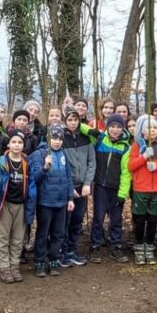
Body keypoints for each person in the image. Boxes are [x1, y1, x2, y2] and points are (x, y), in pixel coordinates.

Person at [0, 132, 37, 283]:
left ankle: (14, 266)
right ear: (8, 144)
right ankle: (4, 267)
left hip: (21, 204)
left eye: (19, 143)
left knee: (18, 238)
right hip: (4, 204)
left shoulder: (27, 162)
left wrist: (31, 201)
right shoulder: (0, 162)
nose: (16, 145)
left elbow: (32, 184)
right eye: (13, 142)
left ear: (23, 145)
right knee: (3, 237)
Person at [80, 113, 132, 263]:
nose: (115, 130)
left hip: (115, 188)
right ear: (108, 127)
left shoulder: (125, 148)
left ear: (123, 129)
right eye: (112, 126)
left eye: (118, 127)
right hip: (100, 186)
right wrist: (92, 131)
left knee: (116, 219)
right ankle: (95, 245)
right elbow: (80, 127)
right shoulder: (101, 139)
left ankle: (116, 245)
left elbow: (126, 173)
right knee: (98, 216)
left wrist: (123, 193)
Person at [29, 124, 75, 277]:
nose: (57, 141)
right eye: (54, 138)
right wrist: (44, 167)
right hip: (45, 202)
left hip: (61, 201)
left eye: (60, 138)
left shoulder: (63, 155)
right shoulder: (39, 154)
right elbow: (34, 179)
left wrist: (70, 198)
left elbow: (69, 178)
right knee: (43, 232)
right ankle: (39, 261)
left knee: (58, 233)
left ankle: (54, 259)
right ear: (48, 138)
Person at [127, 115, 157, 265]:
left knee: (153, 219)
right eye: (149, 127)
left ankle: (150, 246)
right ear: (142, 130)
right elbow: (131, 166)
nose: (152, 130)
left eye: (155, 128)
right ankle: (139, 246)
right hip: (141, 188)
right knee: (140, 219)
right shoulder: (136, 146)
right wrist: (144, 157)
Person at [60, 107, 95, 267]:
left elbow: (91, 162)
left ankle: (72, 250)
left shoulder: (85, 139)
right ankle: (62, 250)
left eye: (75, 120)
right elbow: (61, 165)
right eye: (69, 120)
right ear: (65, 122)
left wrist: (87, 183)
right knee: (65, 221)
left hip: (83, 187)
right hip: (68, 188)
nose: (73, 123)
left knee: (77, 220)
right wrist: (69, 188)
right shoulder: (60, 139)